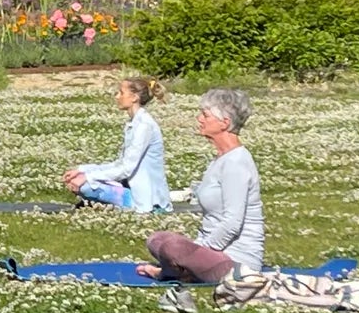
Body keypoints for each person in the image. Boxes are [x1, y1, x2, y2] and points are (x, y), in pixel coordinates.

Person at [139, 87, 265, 295]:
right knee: (157, 240)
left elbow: (232, 223)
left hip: (237, 261)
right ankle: (185, 270)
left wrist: (199, 250)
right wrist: (196, 250)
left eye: (205, 115)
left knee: (173, 248)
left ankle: (174, 272)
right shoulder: (220, 159)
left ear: (225, 123)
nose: (199, 119)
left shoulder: (237, 163)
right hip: (213, 252)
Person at [63, 77, 171, 212]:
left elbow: (126, 169)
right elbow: (120, 164)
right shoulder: (134, 123)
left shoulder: (144, 126)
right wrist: (83, 170)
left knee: (85, 186)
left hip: (148, 198)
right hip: (132, 187)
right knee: (80, 179)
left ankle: (131, 205)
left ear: (134, 98)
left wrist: (87, 177)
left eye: (121, 93)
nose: (117, 97)